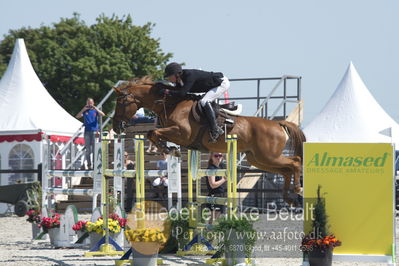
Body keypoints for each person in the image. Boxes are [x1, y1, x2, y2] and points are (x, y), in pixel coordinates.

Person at [160, 62, 230, 142]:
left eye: (169, 76)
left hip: (221, 83)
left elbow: (182, 93)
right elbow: (177, 92)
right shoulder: (180, 80)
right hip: (211, 86)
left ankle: (215, 129)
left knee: (204, 101)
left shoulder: (189, 76)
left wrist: (166, 91)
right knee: (202, 101)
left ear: (177, 74)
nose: (168, 79)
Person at [76, 98, 105, 169]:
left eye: (91, 103)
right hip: (87, 132)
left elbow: (103, 114)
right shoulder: (85, 111)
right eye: (88, 103)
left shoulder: (95, 110)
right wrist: (83, 109)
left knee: (95, 149)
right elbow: (77, 116)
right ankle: (89, 164)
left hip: (95, 132)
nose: (89, 104)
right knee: (88, 149)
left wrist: (96, 108)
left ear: (93, 103)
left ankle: (95, 165)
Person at [205, 152, 227, 224]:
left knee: (216, 219)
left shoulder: (221, 166)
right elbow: (212, 184)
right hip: (214, 195)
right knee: (213, 220)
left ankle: (210, 233)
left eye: (220, 155)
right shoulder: (211, 168)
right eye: (216, 156)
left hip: (221, 194)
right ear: (212, 157)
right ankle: (208, 233)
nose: (218, 157)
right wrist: (224, 179)